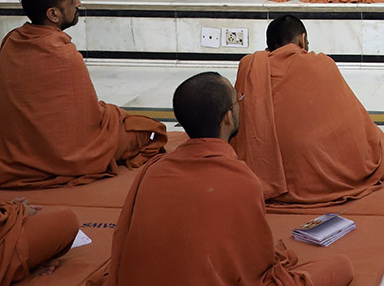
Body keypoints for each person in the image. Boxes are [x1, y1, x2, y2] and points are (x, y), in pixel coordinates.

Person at [93, 73, 353, 286]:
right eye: (237, 100)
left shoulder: (152, 170)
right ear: (228, 116)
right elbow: (256, 266)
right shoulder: (242, 181)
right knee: (341, 266)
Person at [0, 0, 166, 188]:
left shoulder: (12, 39)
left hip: (8, 151)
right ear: (53, 14)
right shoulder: (62, 54)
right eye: (73, 0)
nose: (78, 3)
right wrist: (114, 114)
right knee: (144, 132)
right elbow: (88, 121)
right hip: (59, 153)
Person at [233, 15, 384, 206]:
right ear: (302, 39)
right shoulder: (321, 63)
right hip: (309, 176)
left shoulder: (249, 67)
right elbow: (352, 125)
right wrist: (382, 156)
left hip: (262, 175)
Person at [0, 59, 81, 284]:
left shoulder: (11, 50)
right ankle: (12, 267)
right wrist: (16, 213)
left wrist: (5, 210)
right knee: (65, 222)